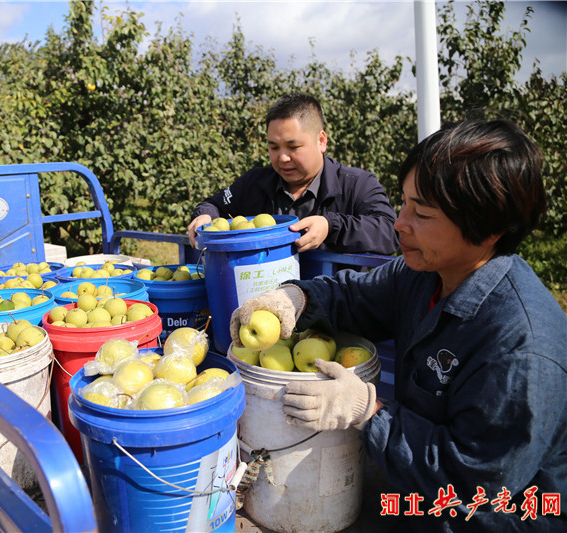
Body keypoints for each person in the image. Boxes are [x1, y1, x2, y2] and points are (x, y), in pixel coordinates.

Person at [230, 119, 567, 531]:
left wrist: (369, 411)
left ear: (488, 229)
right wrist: (295, 298)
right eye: (404, 203)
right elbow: (357, 295)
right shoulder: (425, 272)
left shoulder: (522, 350)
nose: (399, 222)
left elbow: (473, 481)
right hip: (414, 498)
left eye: (421, 213)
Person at [187, 93, 399, 255]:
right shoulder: (256, 183)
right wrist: (205, 216)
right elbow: (214, 204)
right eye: (274, 147)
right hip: (266, 307)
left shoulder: (357, 185)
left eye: (293, 147)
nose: (283, 158)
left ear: (321, 141)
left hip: (336, 308)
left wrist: (331, 226)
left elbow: (390, 232)